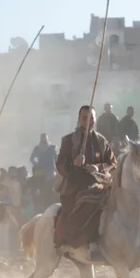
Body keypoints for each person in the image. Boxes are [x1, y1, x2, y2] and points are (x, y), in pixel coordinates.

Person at [54, 105, 117, 250]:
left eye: (92, 118)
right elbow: (60, 164)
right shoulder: (69, 140)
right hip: (76, 187)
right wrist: (74, 164)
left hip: (100, 185)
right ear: (79, 119)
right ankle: (68, 242)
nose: (88, 121)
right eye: (85, 118)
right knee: (73, 213)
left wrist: (99, 167)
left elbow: (113, 162)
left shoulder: (101, 140)